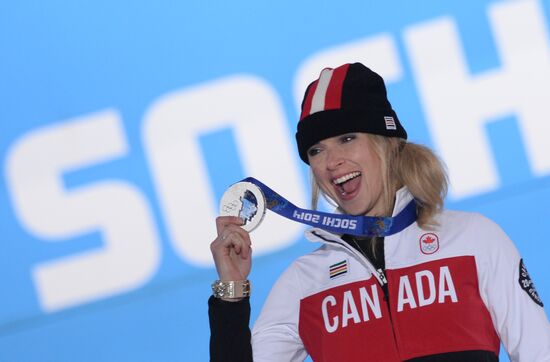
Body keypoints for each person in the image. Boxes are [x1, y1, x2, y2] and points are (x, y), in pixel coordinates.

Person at [208, 62, 550, 361]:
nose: (331, 162)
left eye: (347, 138)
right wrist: (231, 294)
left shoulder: (474, 240)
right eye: (316, 150)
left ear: (385, 142)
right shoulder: (305, 283)